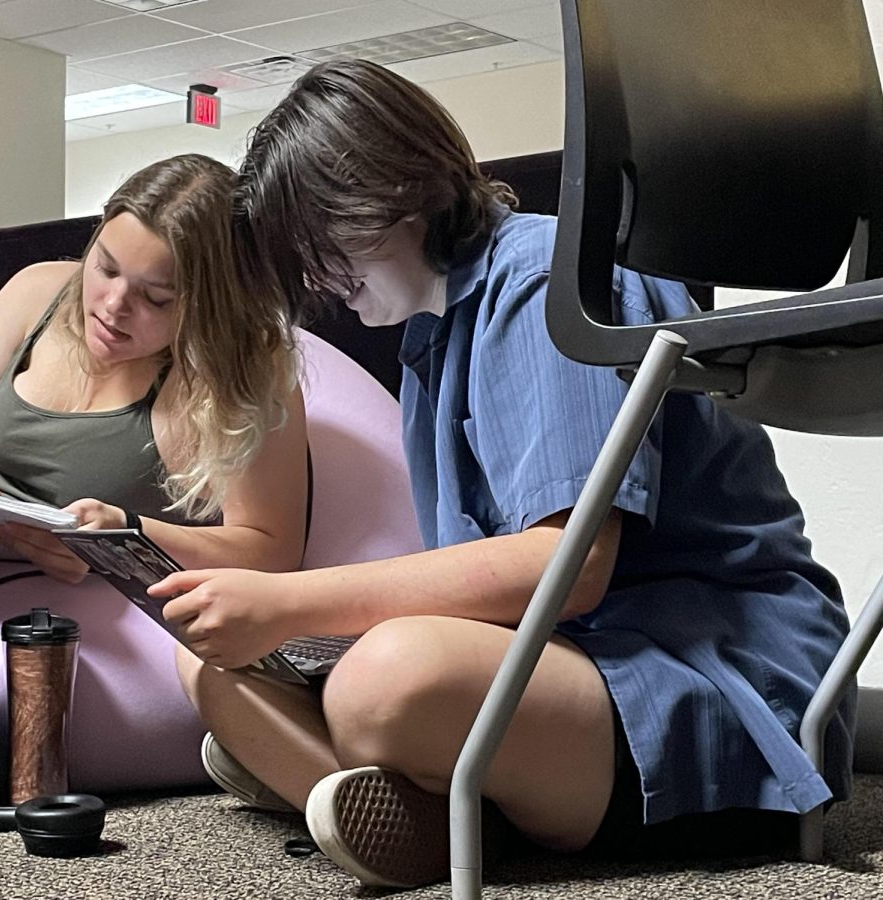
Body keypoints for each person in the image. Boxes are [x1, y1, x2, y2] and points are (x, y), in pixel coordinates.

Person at [149, 60, 855, 888]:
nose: (315, 283)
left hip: (704, 678)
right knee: (207, 663)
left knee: (385, 678)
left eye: (319, 249)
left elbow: (568, 568)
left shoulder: (543, 283)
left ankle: (362, 783)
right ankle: (396, 794)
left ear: (392, 198)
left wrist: (291, 602)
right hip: (580, 662)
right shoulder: (433, 334)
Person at [0, 153, 309, 582]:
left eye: (155, 297)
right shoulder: (35, 291)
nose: (113, 306)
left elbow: (272, 550)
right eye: (105, 267)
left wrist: (126, 538)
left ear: (209, 304)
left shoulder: (242, 366)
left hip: (122, 623)